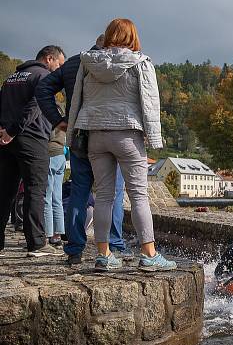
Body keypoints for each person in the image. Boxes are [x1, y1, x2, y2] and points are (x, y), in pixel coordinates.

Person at [67, 18, 174, 272]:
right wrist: (154, 137)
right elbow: (150, 104)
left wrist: (72, 133)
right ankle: (149, 254)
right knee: (138, 195)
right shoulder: (140, 63)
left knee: (103, 195)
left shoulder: (88, 63)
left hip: (96, 135)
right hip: (128, 134)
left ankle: (103, 255)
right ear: (132, 37)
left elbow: (75, 101)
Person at [36, 35, 129, 265]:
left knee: (79, 191)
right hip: (109, 134)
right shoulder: (116, 63)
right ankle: (114, 246)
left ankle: (75, 249)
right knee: (114, 193)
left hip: (79, 136)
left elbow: (43, 88)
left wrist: (58, 120)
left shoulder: (74, 63)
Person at [0, 45, 65, 257]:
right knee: (36, 190)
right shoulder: (44, 76)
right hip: (32, 138)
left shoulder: (12, 77)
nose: (59, 70)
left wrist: (4, 130)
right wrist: (14, 130)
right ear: (49, 59)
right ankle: (37, 243)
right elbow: (35, 105)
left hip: (6, 141)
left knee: (5, 192)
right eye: (59, 64)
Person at [43, 124, 66, 247]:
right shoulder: (60, 113)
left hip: (50, 154)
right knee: (57, 198)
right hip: (60, 155)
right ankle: (57, 235)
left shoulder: (48, 113)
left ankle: (47, 233)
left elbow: (49, 133)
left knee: (46, 197)